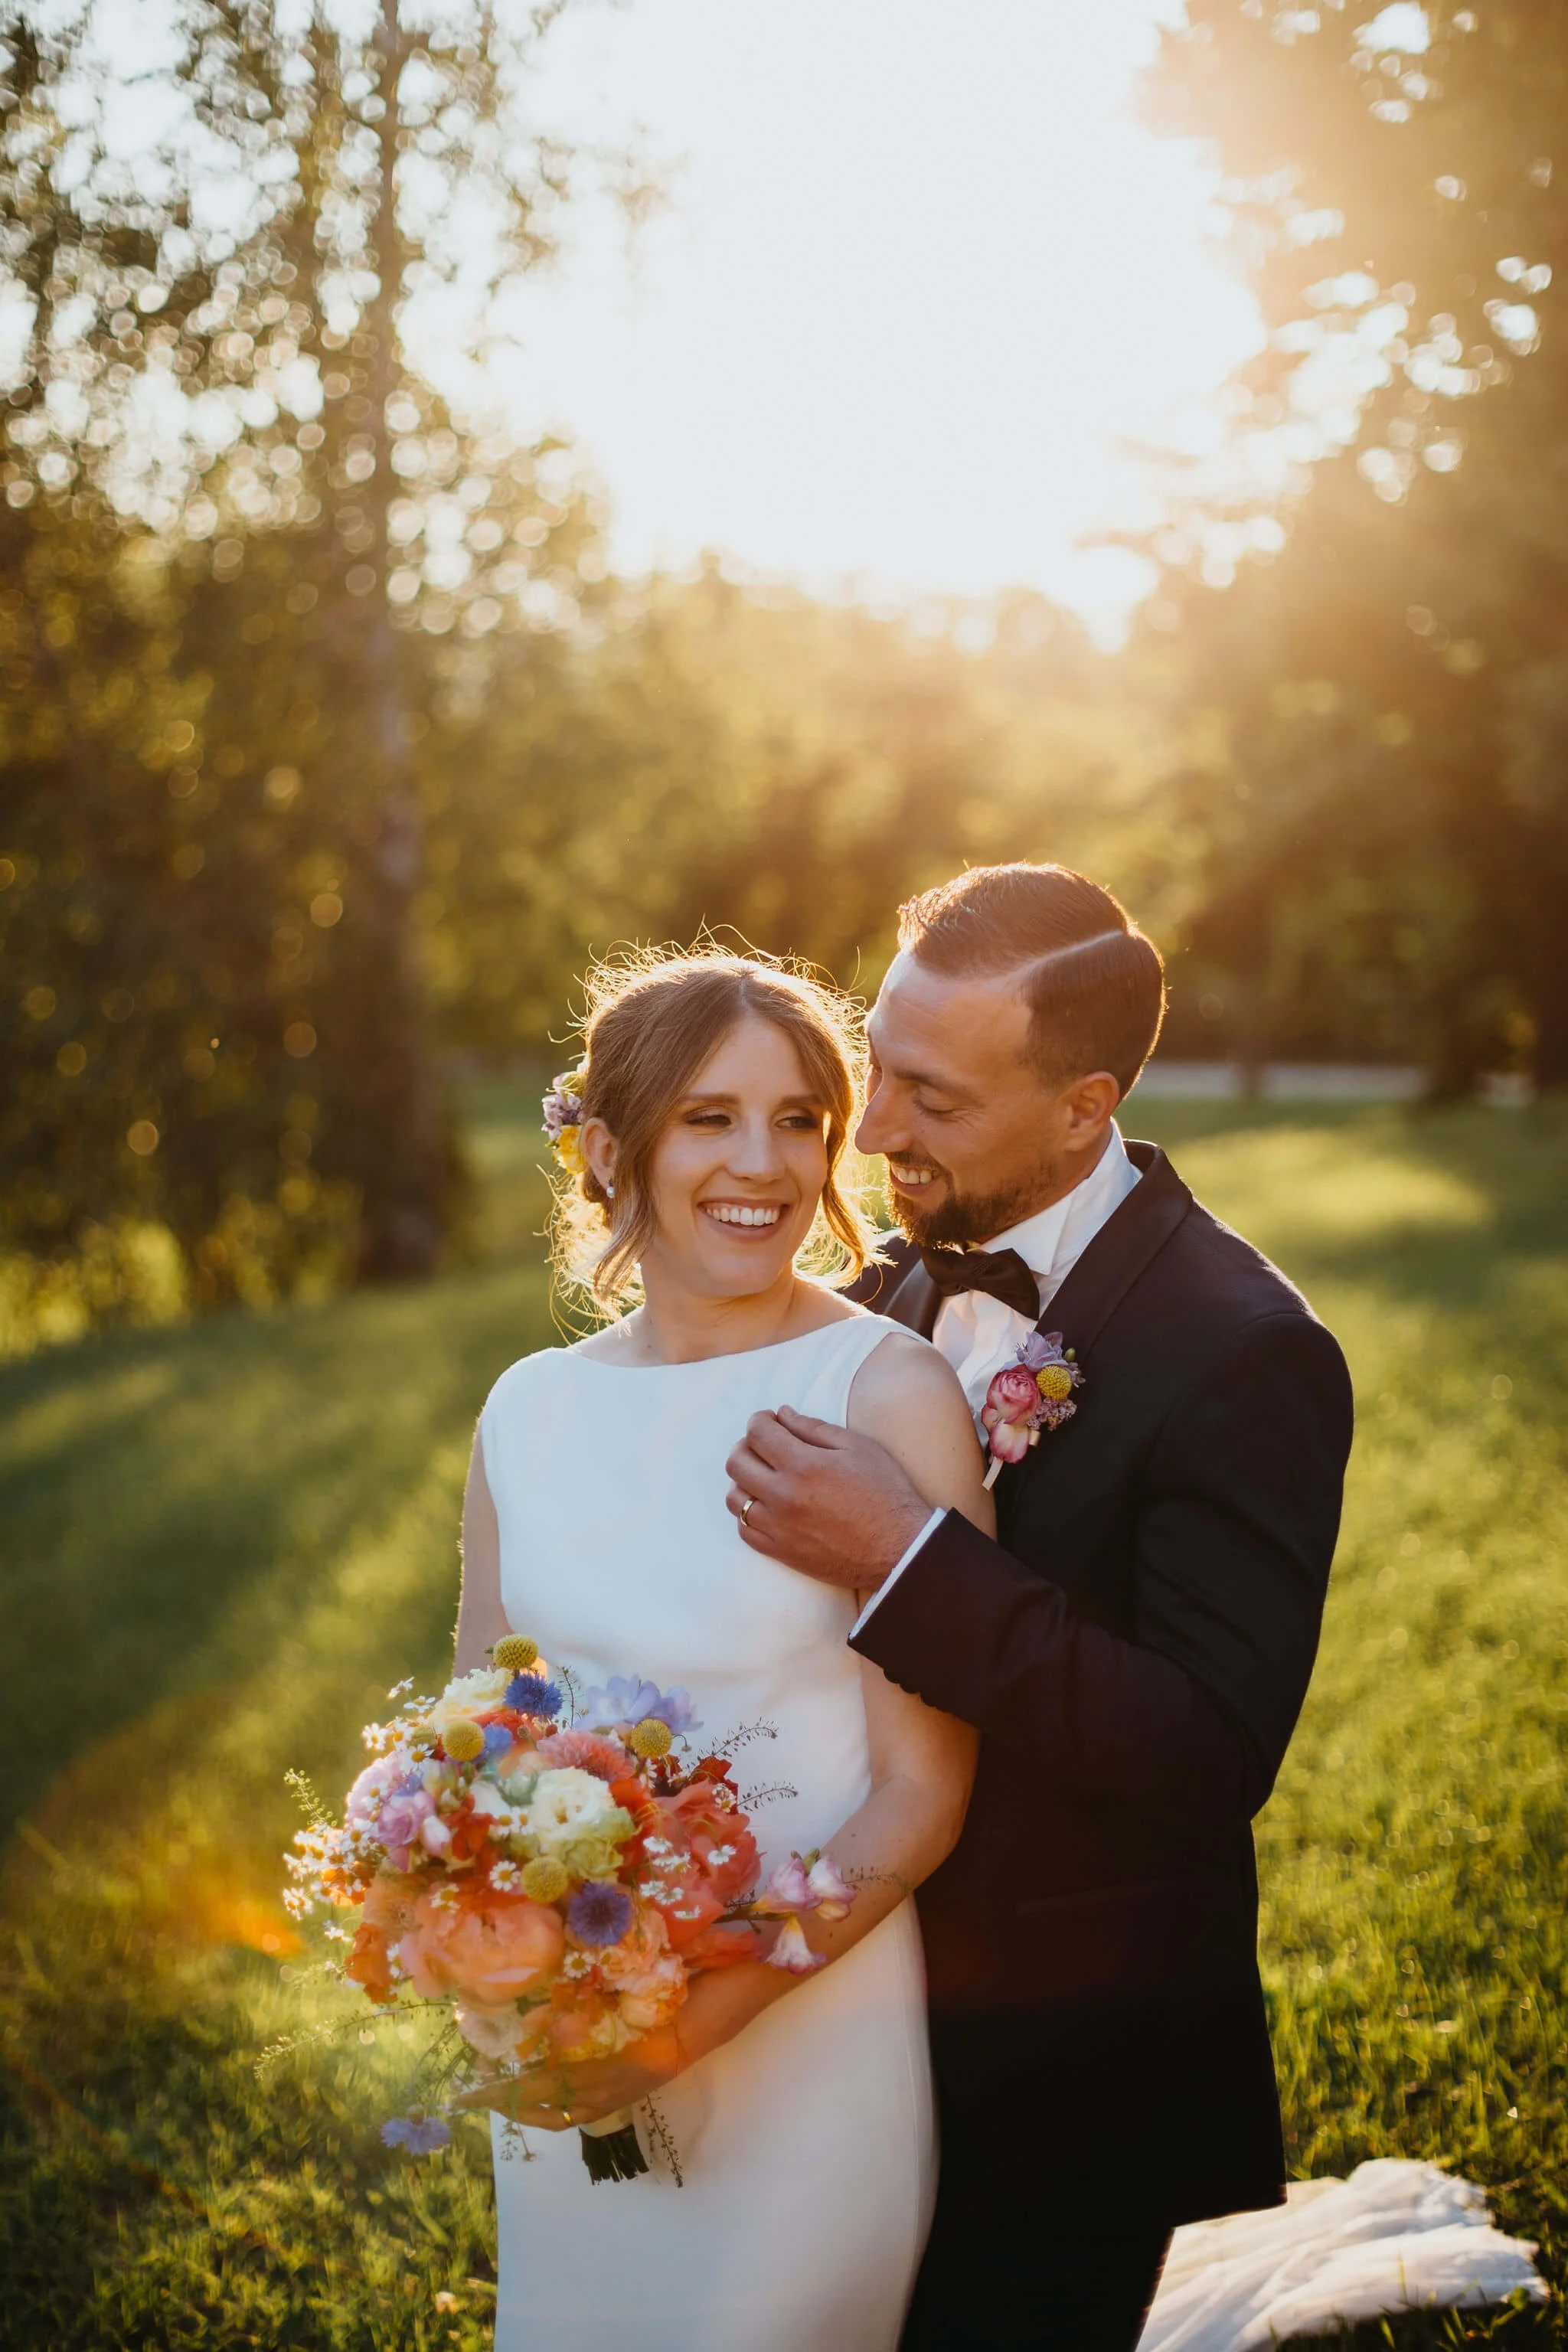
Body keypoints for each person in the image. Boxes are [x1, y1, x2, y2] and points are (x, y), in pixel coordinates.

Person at [725, 864, 1355, 2352]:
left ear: (1082, 1108)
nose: (871, 1128)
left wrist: (908, 1560)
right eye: (877, 1066)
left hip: (1073, 2062)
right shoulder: (877, 1296)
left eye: (931, 1099)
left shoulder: (1244, 1353)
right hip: (844, 2010)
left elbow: (1203, 1752)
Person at [449, 948, 989, 2352]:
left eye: (801, 1118)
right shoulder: (527, 1408)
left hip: (809, 2041)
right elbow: (479, 1747)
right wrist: (488, 1954)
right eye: (710, 1116)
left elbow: (921, 1796)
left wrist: (694, 2012)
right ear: (613, 1147)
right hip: (573, 2047)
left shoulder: (884, 1391)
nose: (766, 1163)